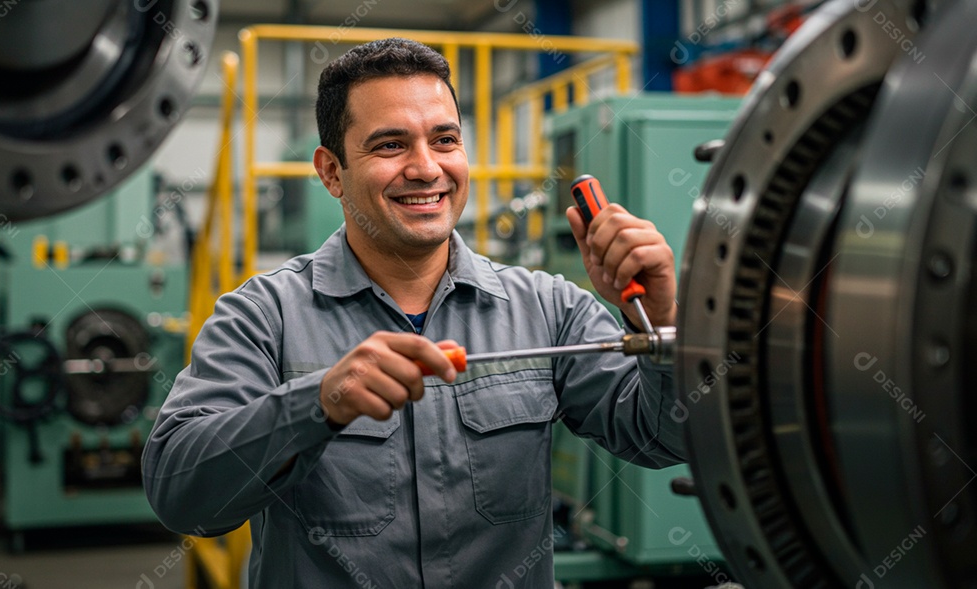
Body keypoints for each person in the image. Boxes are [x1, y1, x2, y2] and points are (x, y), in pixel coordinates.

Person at [143, 38, 685, 589]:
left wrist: (661, 319)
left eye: (445, 140)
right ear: (332, 172)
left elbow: (668, 439)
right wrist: (318, 402)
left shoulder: (547, 306)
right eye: (390, 145)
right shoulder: (262, 318)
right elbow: (182, 497)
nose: (426, 169)